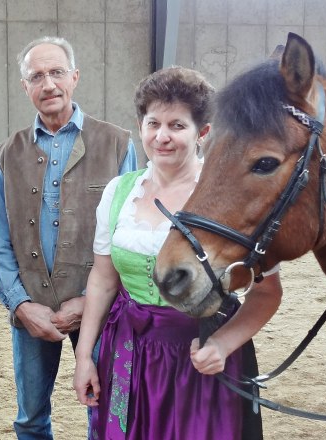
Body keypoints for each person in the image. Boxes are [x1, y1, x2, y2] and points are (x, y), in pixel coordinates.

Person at [72, 67, 283, 439]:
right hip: (127, 352)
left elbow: (267, 292)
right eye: (153, 123)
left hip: (199, 356)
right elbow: (103, 280)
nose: (162, 137)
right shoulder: (119, 192)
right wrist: (84, 355)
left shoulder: (232, 197)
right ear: (140, 126)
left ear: (203, 133)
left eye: (177, 125)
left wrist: (223, 343)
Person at [0, 36, 138, 439]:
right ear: (25, 87)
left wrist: (92, 301)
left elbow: (131, 234)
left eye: (56, 72)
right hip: (31, 313)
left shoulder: (118, 144)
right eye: (36, 76)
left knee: (105, 410)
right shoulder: (8, 153)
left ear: (75, 77)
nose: (48, 84)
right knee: (30, 418)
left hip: (100, 311)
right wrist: (20, 305)